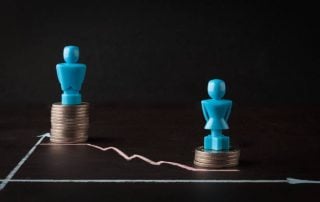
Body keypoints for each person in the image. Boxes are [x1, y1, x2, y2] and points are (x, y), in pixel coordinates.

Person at [201, 79, 232, 150]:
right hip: (220, 121)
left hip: (211, 121)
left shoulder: (205, 102)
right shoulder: (228, 102)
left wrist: (208, 121)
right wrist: (224, 121)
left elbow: (205, 115)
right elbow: (227, 115)